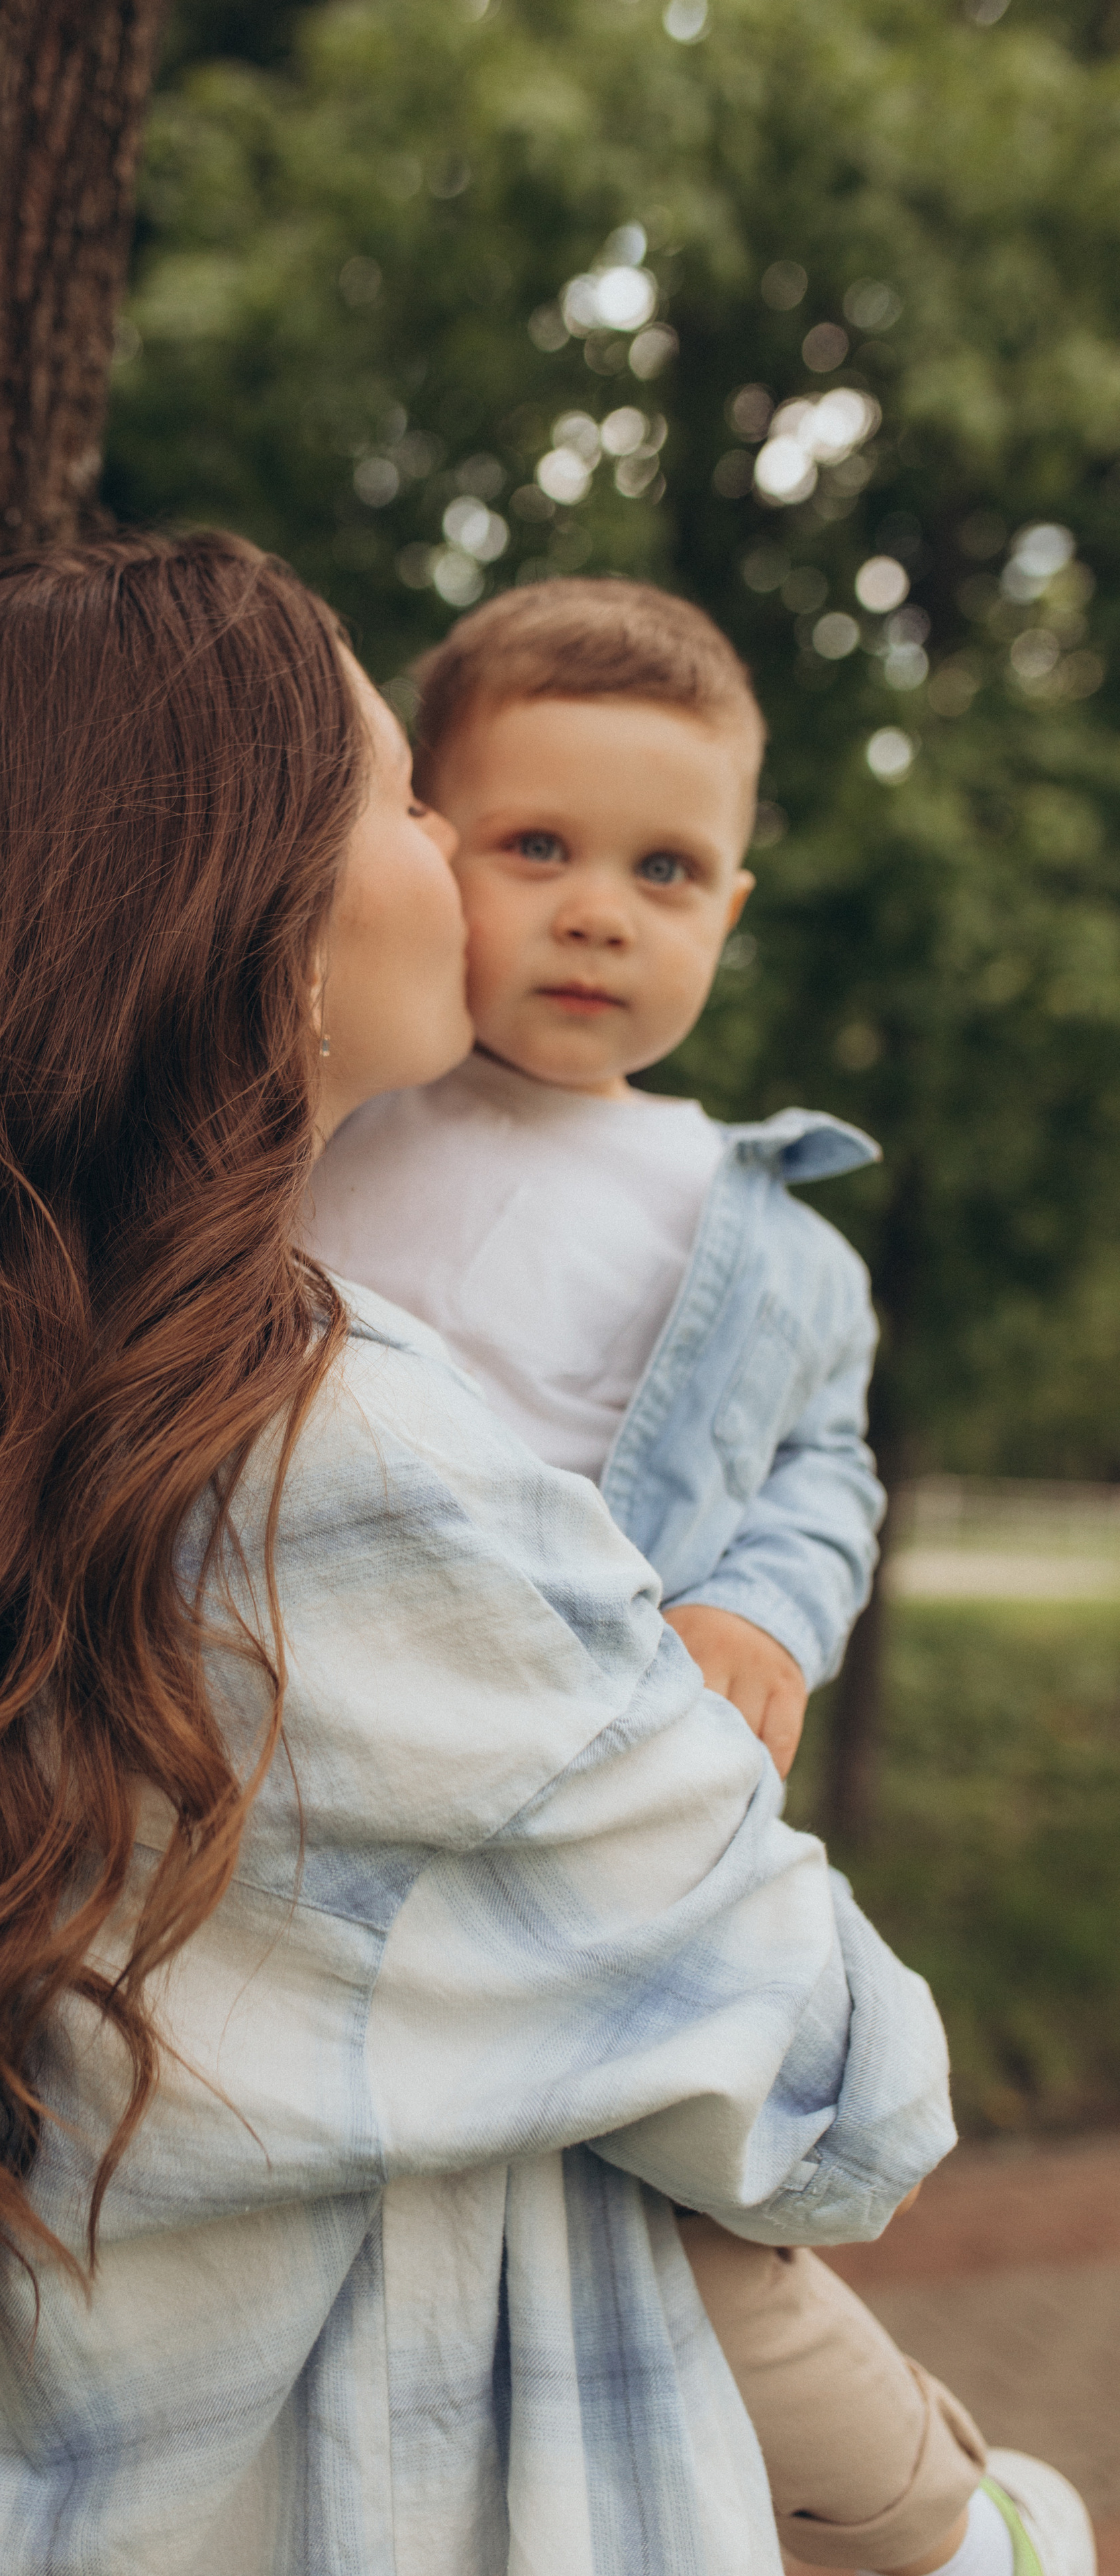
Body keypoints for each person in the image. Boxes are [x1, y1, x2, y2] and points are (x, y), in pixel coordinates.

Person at [0, 533, 958, 2576]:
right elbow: (839, 2090)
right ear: (251, 920)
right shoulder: (330, 1457)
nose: (450, 853)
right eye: (394, 800)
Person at [306, 576, 1095, 2576]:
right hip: (324, 1756)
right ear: (422, 851)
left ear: (731, 912)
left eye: (667, 870)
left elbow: (825, 1470)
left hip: (571, 1781)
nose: (598, 911)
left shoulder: (756, 1233)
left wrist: (763, 1608)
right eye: (536, 847)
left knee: (680, 2219)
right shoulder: (327, 1123)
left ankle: (945, 2524)